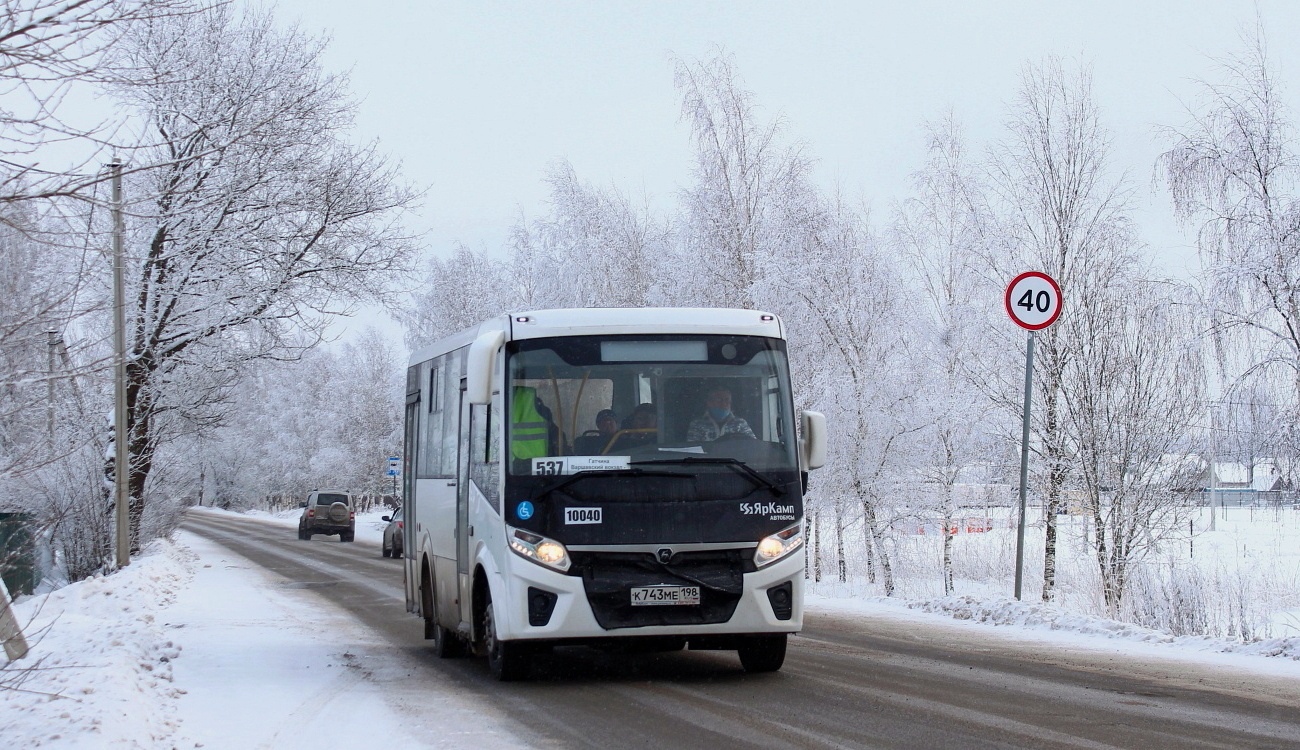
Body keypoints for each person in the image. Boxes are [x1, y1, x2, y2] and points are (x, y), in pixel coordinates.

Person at [687, 388, 754, 442]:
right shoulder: (697, 424)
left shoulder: (740, 423)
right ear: (709, 402)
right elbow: (693, 450)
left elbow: (753, 445)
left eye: (727, 400)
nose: (724, 404)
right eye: (719, 400)